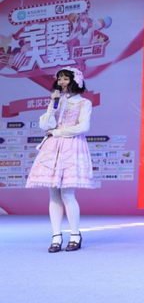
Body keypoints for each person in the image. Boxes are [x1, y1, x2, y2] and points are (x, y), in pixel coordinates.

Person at [26, 67, 98, 253]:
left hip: (71, 145)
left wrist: (58, 132)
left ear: (75, 81)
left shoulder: (84, 103)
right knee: (53, 194)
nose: (62, 82)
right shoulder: (56, 101)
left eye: (65, 79)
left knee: (67, 194)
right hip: (52, 147)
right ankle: (56, 236)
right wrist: (52, 104)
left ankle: (75, 235)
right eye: (60, 79)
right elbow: (45, 125)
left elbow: (83, 127)